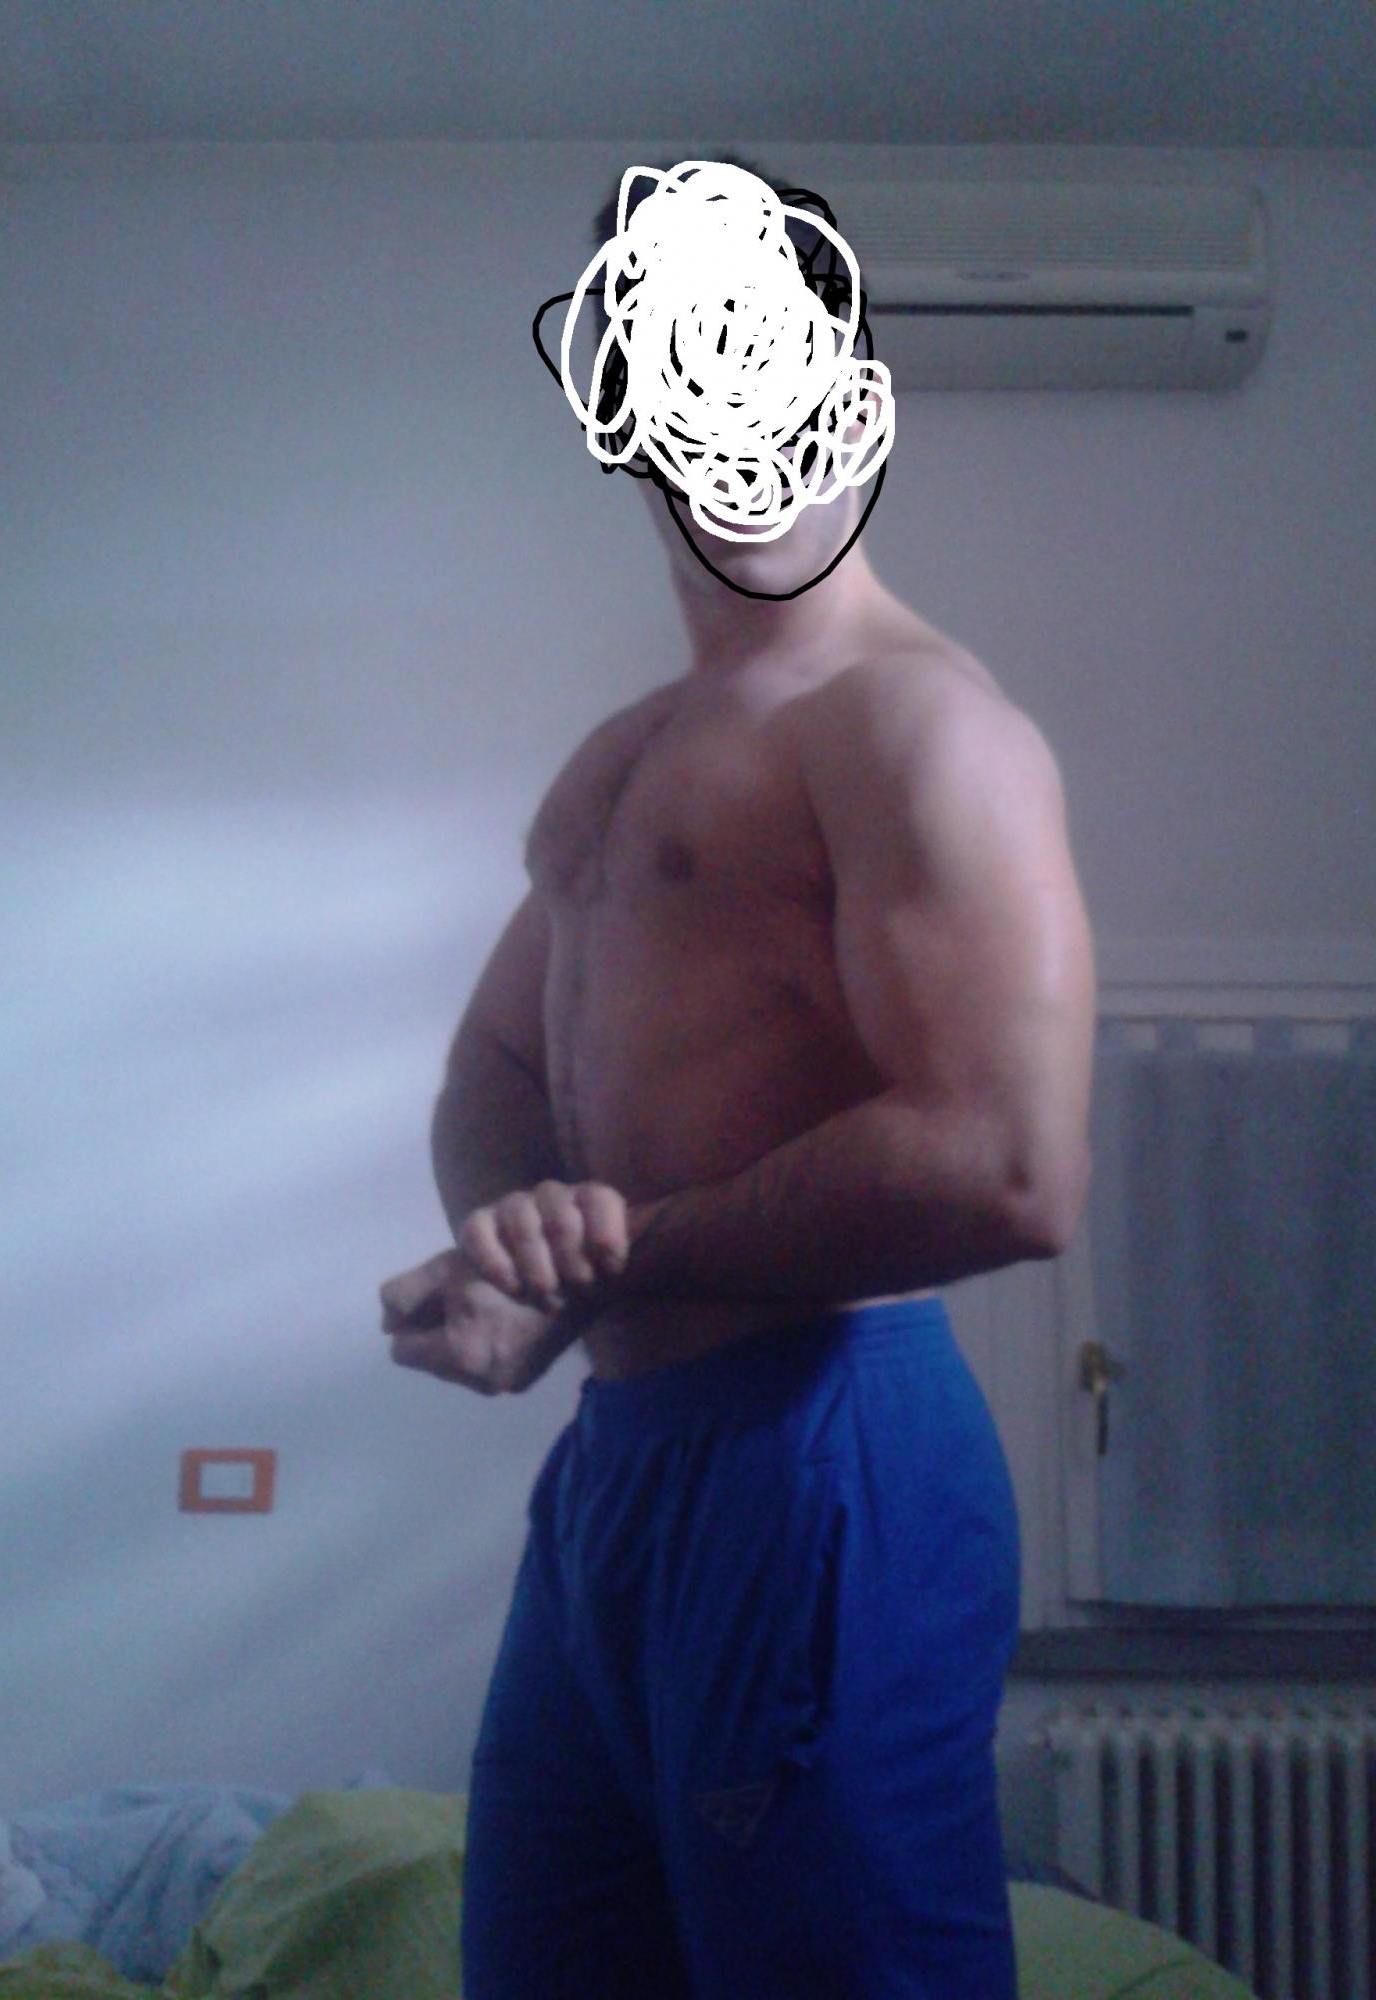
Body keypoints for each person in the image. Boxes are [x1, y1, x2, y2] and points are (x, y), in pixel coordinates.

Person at [378, 154, 1097, 1999]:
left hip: (823, 1452)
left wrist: (616, 1260)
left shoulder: (918, 725)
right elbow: (493, 1063)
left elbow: (1009, 1163)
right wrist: (522, 1248)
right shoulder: (632, 755)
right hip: (618, 1471)